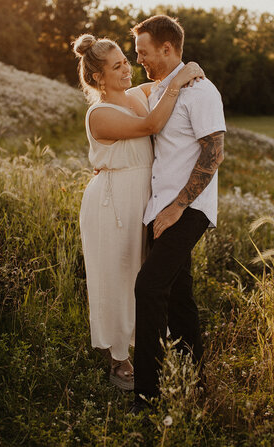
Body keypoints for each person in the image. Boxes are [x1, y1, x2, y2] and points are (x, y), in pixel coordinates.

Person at [73, 33, 204, 391]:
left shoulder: (135, 95)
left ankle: (150, 347)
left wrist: (187, 69)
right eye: (116, 67)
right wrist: (178, 80)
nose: (127, 70)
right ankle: (118, 359)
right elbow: (151, 126)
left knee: (142, 276)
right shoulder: (98, 114)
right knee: (115, 276)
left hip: (142, 199)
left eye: (126, 61)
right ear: (99, 77)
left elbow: (159, 82)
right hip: (111, 202)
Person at [130, 15, 226, 412]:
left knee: (149, 288)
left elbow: (214, 152)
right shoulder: (161, 90)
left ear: (167, 49)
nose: (140, 61)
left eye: (143, 53)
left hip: (187, 209)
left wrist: (178, 206)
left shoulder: (201, 93)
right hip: (162, 207)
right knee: (179, 298)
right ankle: (195, 382)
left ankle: (146, 397)